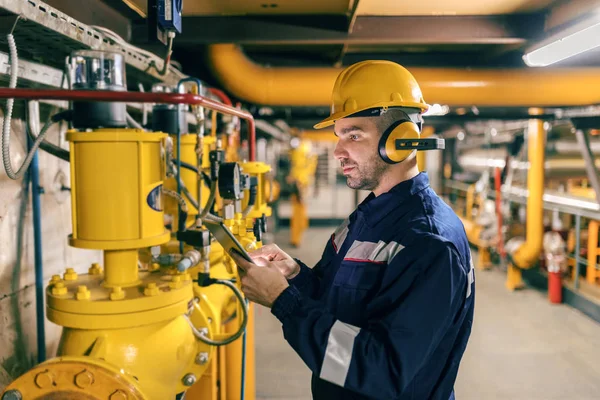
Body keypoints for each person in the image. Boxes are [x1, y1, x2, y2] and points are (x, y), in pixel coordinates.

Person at [230, 60, 475, 400]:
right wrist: (294, 274)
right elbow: (337, 299)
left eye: (354, 135)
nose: (337, 151)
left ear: (400, 139)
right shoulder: (369, 214)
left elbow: (382, 372)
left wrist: (283, 301)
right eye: (338, 135)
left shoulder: (429, 243)